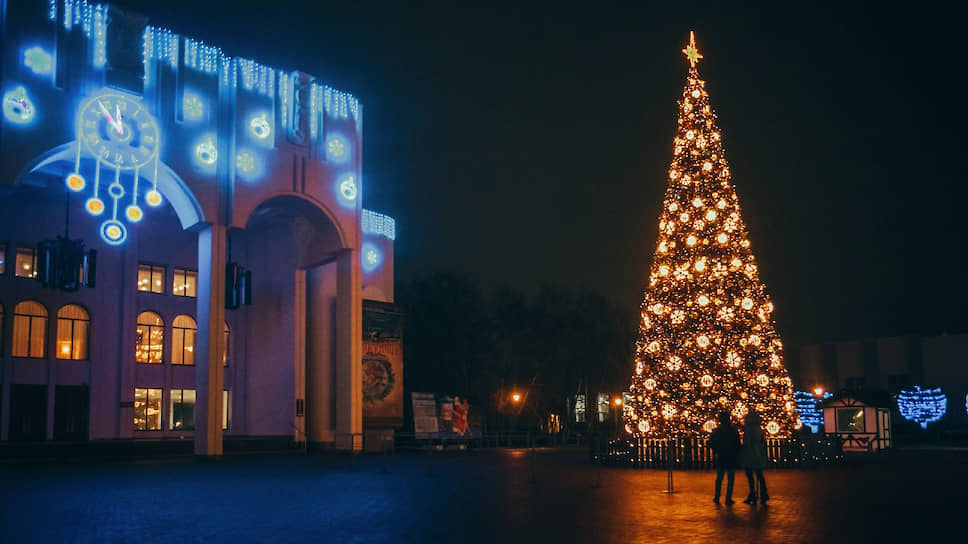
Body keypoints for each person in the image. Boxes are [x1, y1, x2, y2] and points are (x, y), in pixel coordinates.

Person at [708, 411, 741, 505]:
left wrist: (716, 450)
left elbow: (711, 442)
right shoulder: (733, 430)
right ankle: (728, 498)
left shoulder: (717, 431)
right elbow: (737, 443)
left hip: (721, 455)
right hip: (731, 456)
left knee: (719, 478)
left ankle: (717, 496)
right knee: (730, 478)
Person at [741, 412, 770, 504]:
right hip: (758, 455)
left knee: (750, 476)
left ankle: (752, 494)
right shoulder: (760, 430)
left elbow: (747, 444)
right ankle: (763, 494)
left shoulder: (749, 430)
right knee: (759, 475)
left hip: (750, 455)